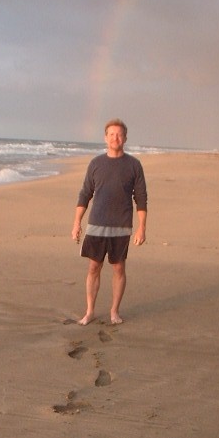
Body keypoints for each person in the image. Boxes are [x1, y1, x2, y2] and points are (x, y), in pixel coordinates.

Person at [71, 118, 147, 325]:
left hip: (121, 227)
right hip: (96, 224)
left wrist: (142, 228)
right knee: (93, 268)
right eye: (112, 134)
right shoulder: (96, 164)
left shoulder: (134, 165)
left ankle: (114, 311)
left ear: (125, 138)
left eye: (119, 134)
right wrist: (77, 222)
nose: (116, 138)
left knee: (118, 269)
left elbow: (141, 198)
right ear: (106, 138)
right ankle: (90, 311)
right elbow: (85, 194)